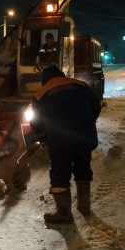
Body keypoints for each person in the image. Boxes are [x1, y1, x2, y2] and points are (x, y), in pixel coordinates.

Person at [30, 65, 101, 223]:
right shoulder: (80, 84)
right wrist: (86, 122)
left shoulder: (41, 94)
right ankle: (84, 206)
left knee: (60, 173)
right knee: (83, 167)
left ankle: (63, 214)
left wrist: (43, 139)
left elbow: (35, 122)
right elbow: (96, 106)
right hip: (84, 135)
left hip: (59, 138)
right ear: (61, 74)